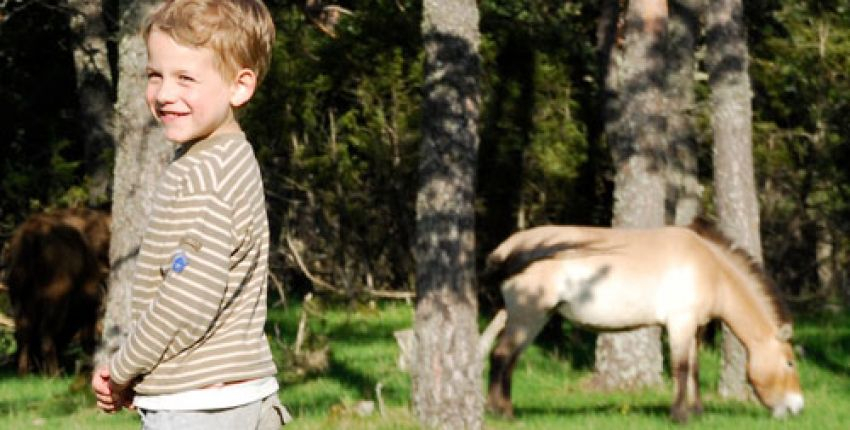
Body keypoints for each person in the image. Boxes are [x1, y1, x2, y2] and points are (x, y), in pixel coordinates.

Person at [91, 0, 291, 428]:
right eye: (155, 75)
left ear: (239, 86)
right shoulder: (233, 156)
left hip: (198, 409)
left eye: (185, 78)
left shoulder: (202, 174)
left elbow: (185, 300)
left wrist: (124, 369)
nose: (164, 94)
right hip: (243, 397)